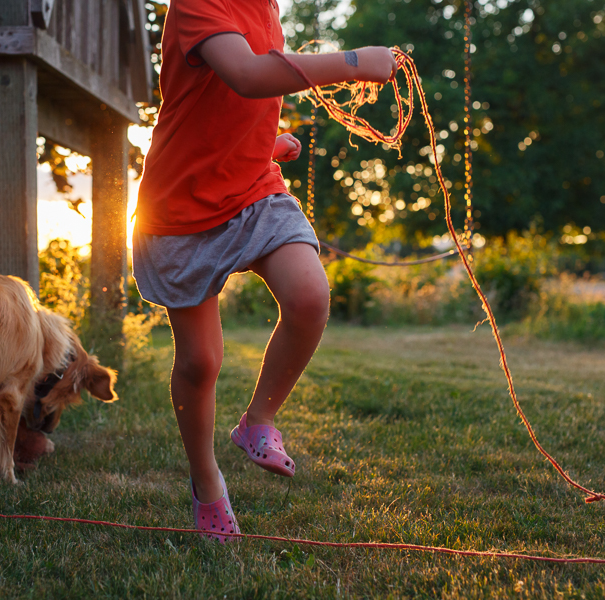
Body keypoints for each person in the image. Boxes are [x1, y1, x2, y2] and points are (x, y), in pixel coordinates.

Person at [132, 0, 395, 542]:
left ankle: (257, 420)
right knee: (201, 362)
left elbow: (231, 106)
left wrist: (263, 144)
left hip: (254, 188)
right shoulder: (197, 5)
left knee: (309, 298)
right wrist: (352, 61)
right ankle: (206, 483)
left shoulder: (267, 7)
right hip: (181, 209)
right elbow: (249, 76)